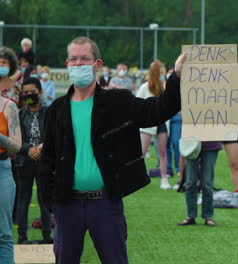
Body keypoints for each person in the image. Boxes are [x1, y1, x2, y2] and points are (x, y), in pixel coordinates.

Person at [38, 37, 185, 264]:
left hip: (105, 202)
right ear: (67, 64)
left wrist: (176, 77)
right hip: (67, 205)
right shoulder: (56, 109)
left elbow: (157, 110)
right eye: (74, 59)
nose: (78, 64)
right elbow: (47, 159)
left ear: (97, 64)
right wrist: (51, 202)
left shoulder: (118, 101)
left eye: (84, 59)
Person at [15, 77, 52, 244]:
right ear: (22, 95)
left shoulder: (49, 113)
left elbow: (54, 135)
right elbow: (14, 139)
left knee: (44, 199)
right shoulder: (19, 114)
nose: (29, 95)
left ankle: (47, 235)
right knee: (24, 198)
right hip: (24, 161)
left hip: (45, 161)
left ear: (40, 92)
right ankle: (22, 236)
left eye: (33, 92)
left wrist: (44, 147)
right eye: (26, 93)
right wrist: (28, 149)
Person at [0, 46, 22, 264]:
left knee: (3, 234)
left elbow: (16, 146)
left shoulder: (9, 106)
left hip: (2, 170)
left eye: (3, 63)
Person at [135, 60, 171, 189]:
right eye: (161, 72)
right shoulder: (145, 87)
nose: (163, 74)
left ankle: (164, 179)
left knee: (162, 152)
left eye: (164, 72)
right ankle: (138, 178)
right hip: (147, 123)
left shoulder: (166, 86)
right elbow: (137, 103)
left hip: (162, 123)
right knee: (142, 152)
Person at [177, 141, 221, 227]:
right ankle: (191, 215)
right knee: (190, 182)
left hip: (210, 144)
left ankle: (208, 216)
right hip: (191, 143)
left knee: (207, 183)